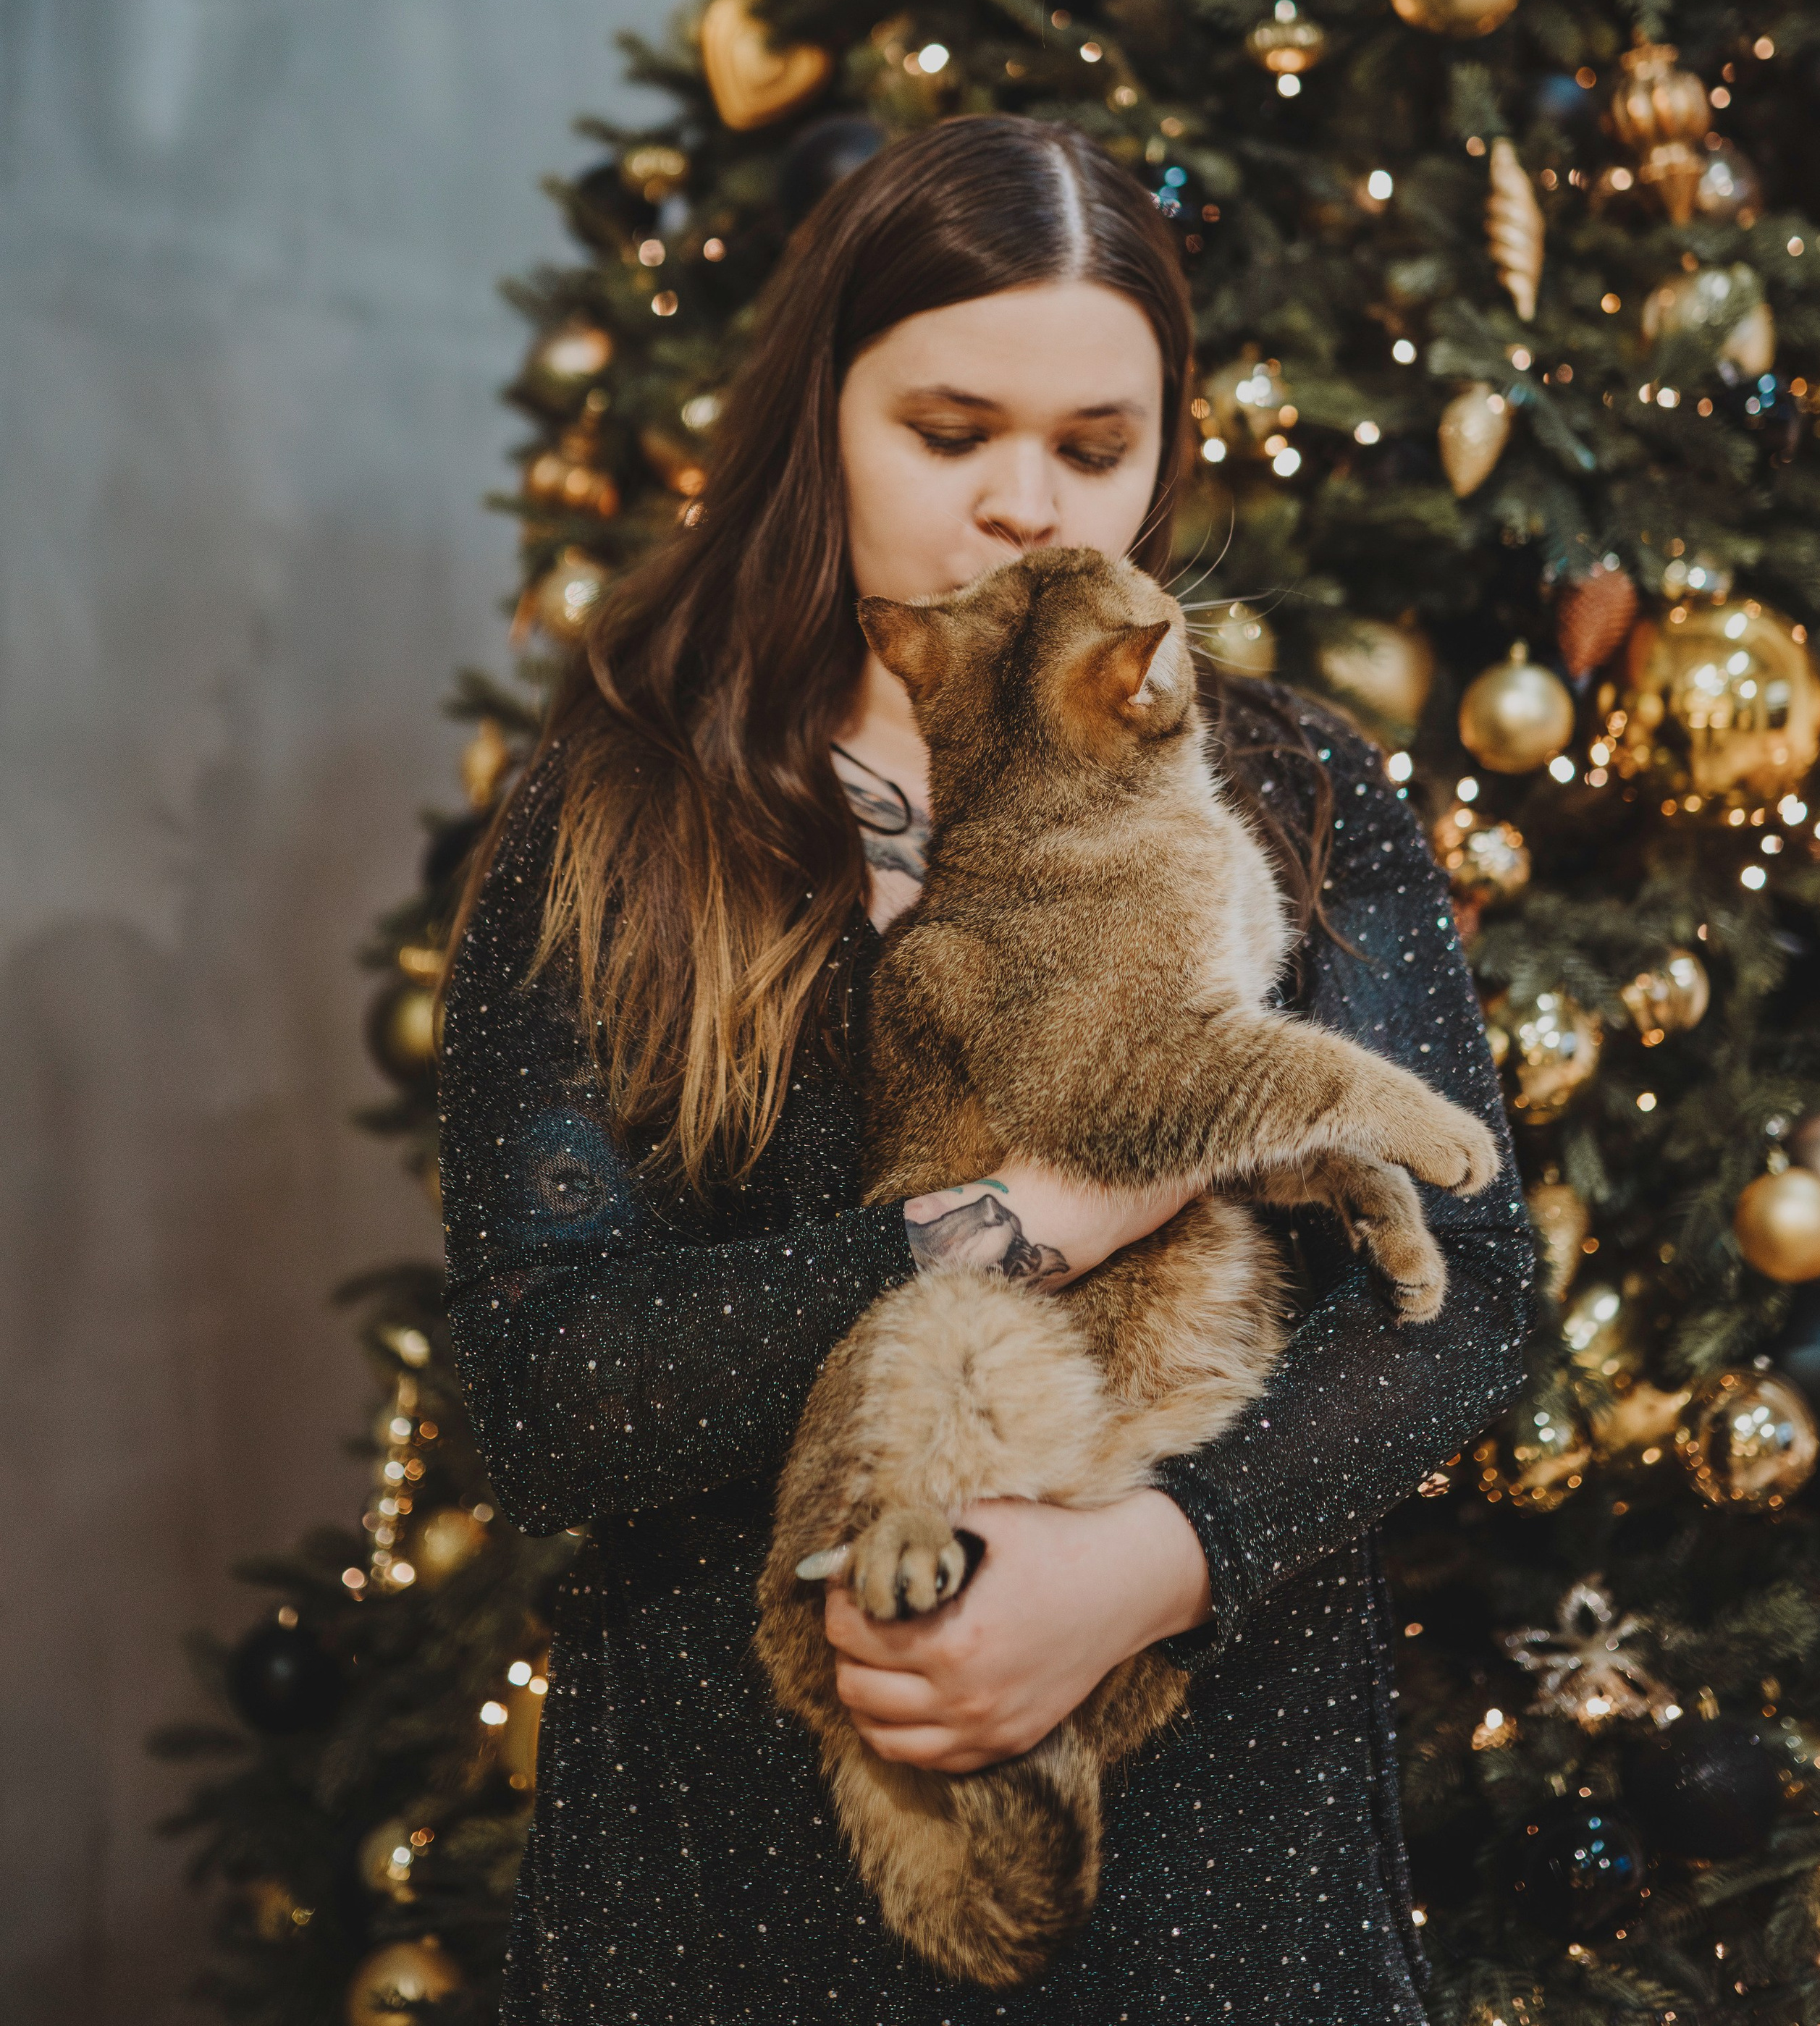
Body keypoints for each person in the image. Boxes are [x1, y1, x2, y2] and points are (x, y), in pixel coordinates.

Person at [439, 115, 1534, 2025]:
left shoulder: (1290, 789)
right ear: (825, 422)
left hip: (1217, 1879)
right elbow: (546, 1396)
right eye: (950, 435)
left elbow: (1470, 1289)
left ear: (1162, 454)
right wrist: (1015, 1220)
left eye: (1094, 449)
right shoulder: (626, 817)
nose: (1029, 505)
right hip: (734, 1887)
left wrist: (1155, 1565)